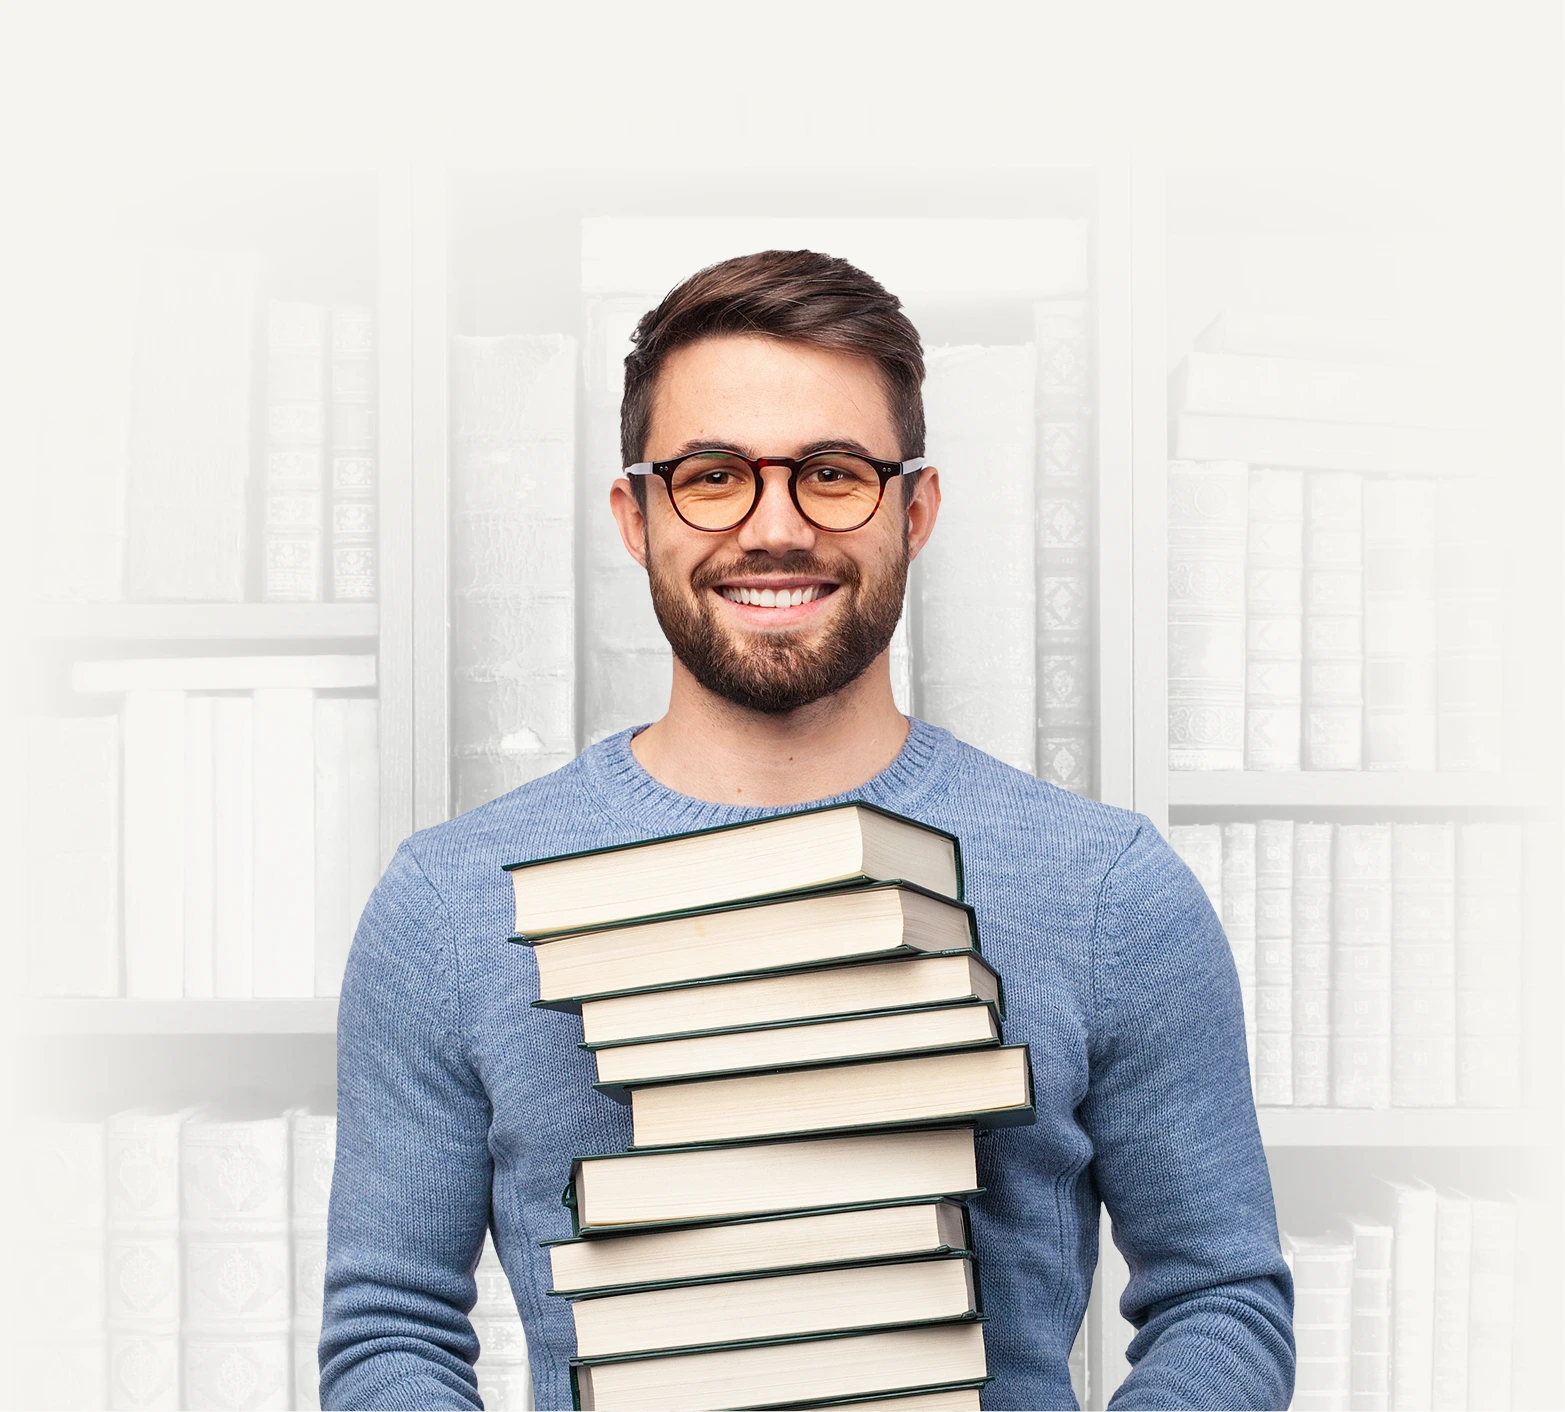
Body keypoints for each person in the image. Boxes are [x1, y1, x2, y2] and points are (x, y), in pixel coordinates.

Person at [320, 249, 1295, 1410]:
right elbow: (390, 1331)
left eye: (831, 473)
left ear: (914, 509)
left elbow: (1220, 1299)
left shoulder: (1110, 890)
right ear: (634, 516)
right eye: (712, 474)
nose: (773, 527)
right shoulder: (450, 902)